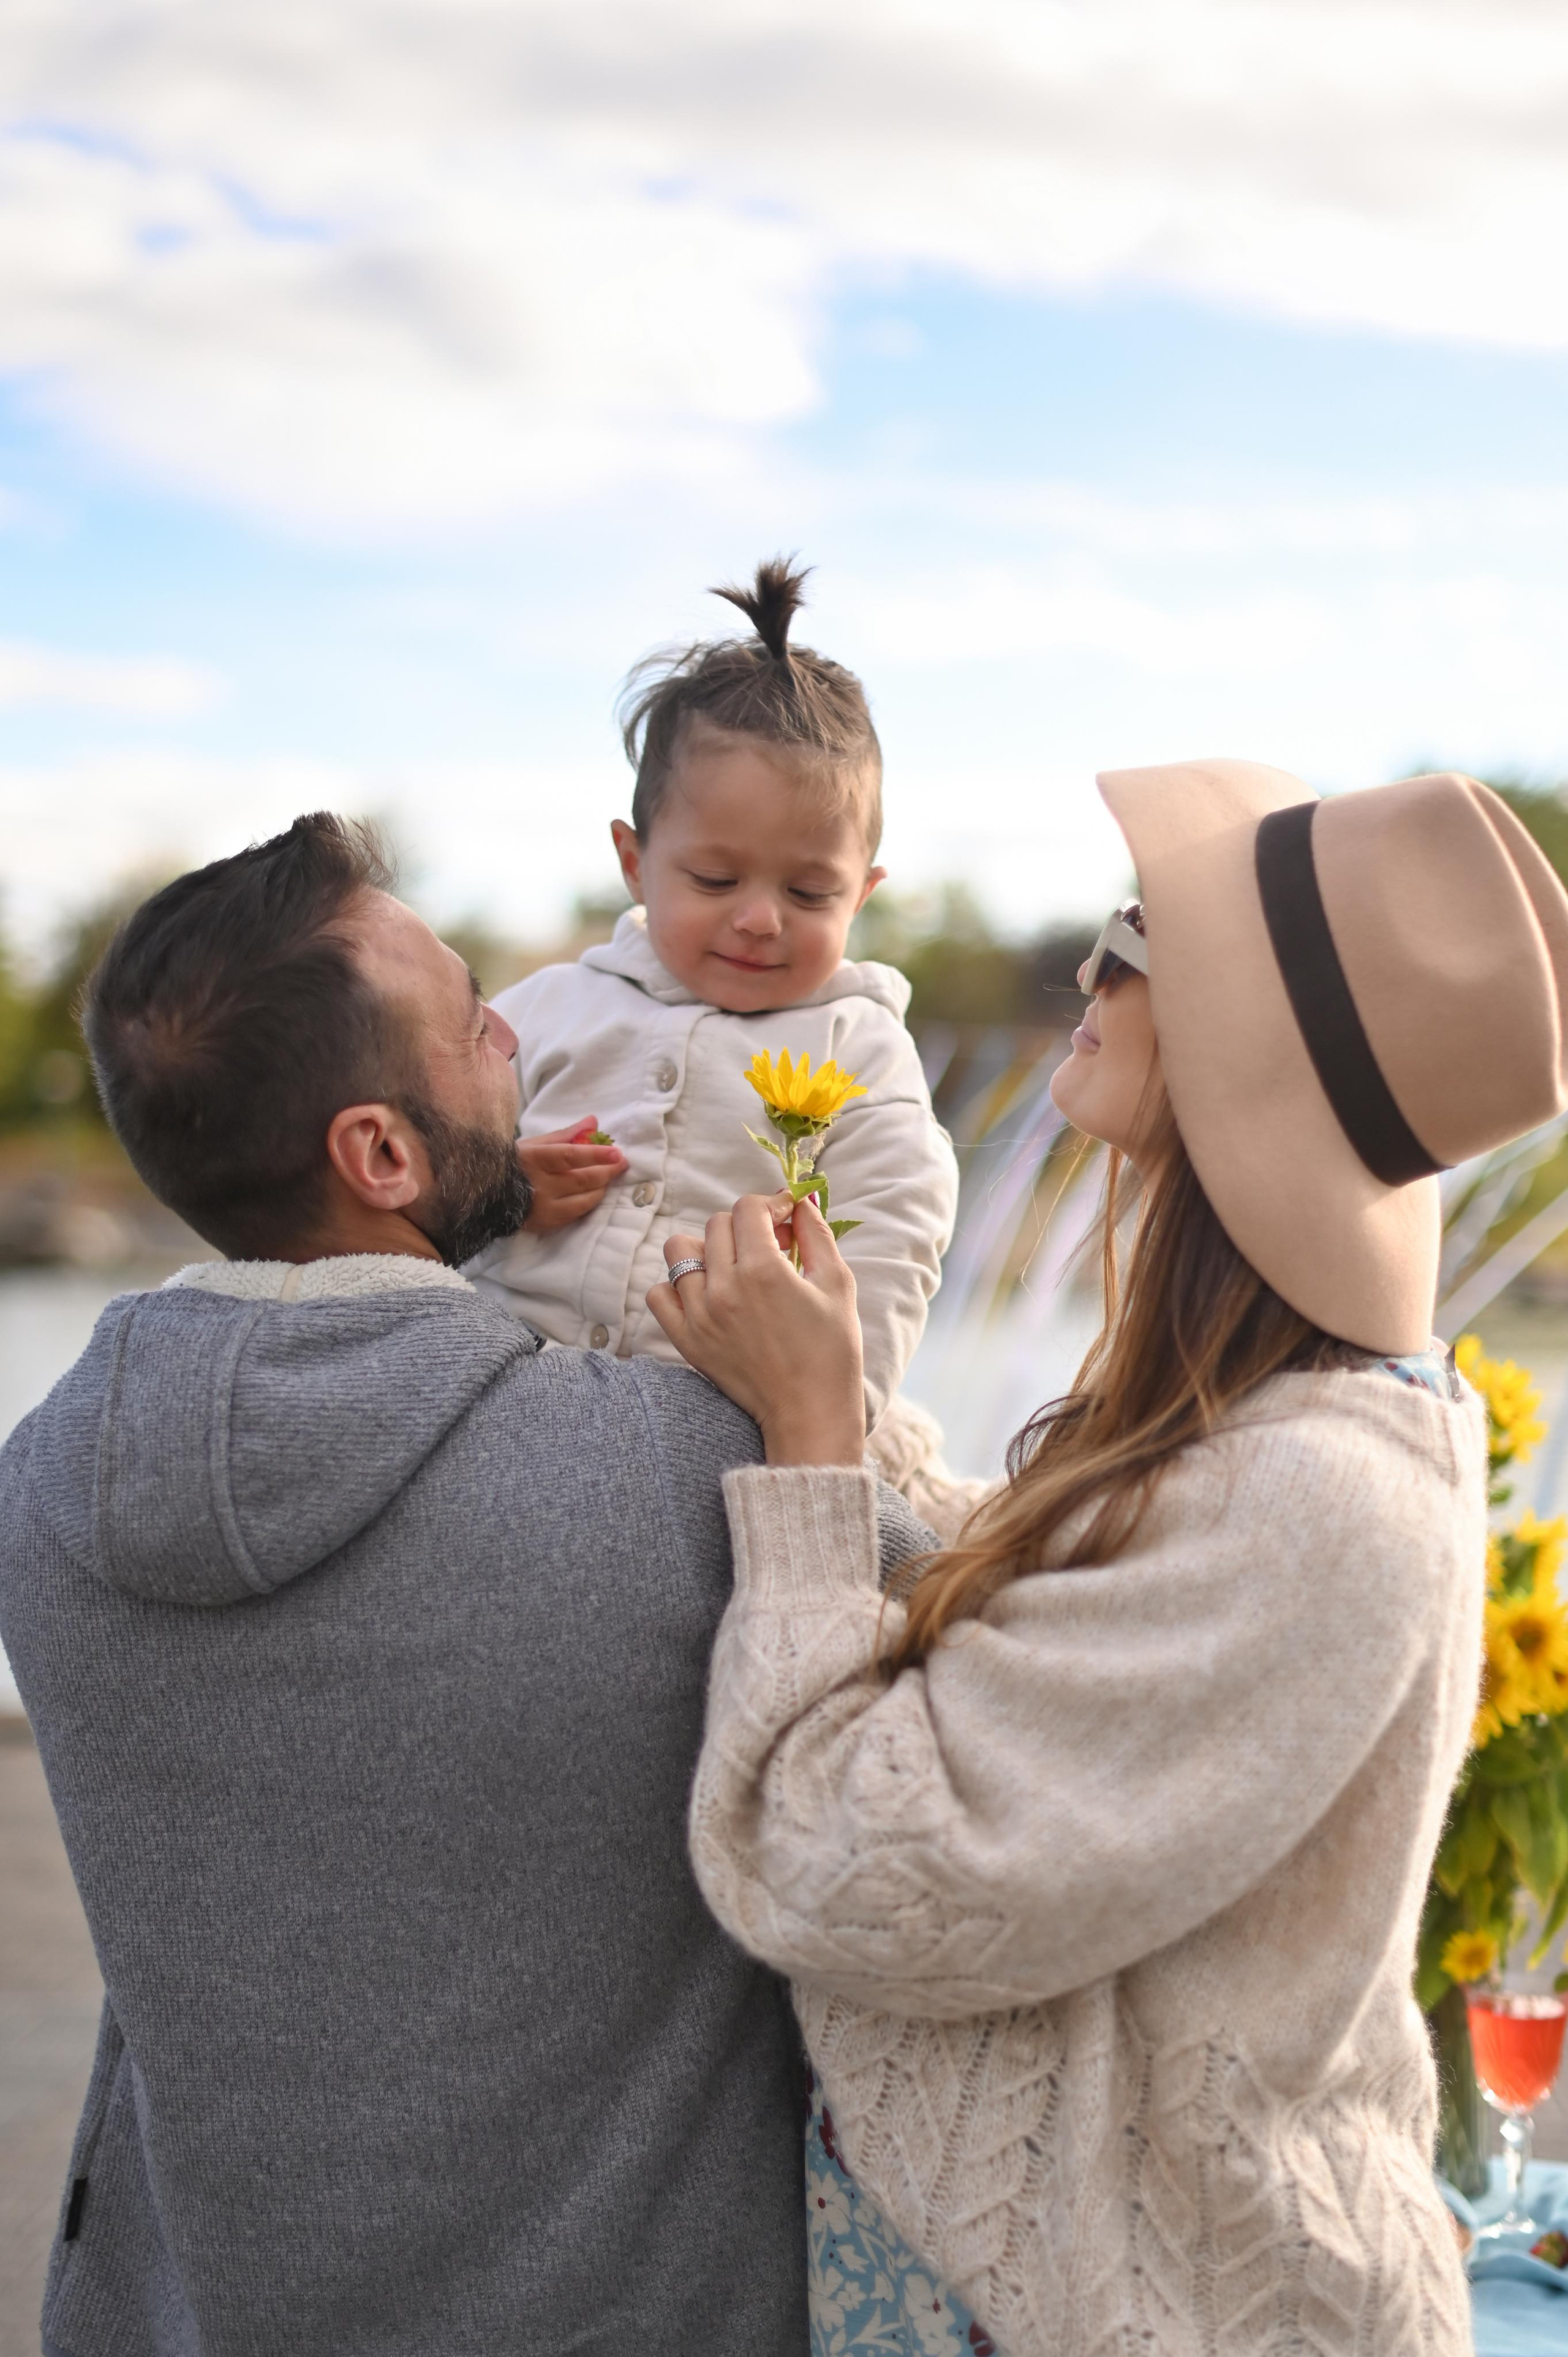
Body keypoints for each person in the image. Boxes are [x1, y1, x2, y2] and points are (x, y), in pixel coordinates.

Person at [645, 761, 1568, 2357]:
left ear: (1242, 1043)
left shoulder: (1315, 1505)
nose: (1092, 970)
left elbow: (840, 1867)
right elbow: (1051, 1658)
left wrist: (807, 1442)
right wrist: (844, 1406)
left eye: (1142, 939)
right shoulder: (1267, 1435)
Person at [0, 811, 930, 2357]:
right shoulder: (685, 1475)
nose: (521, 1030)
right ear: (379, 1153)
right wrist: (818, 1424)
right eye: (469, 1023)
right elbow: (968, 1699)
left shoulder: (39, 1493)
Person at [466, 558, 968, 1524]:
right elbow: (421, 1173)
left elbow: (900, 1223)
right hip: (508, 1425)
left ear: (863, 893)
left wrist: (829, 1418)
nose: (760, 921)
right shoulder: (549, 1008)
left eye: (810, 893)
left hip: (724, 1444)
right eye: (714, 880)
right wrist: (495, 1191)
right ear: (634, 862)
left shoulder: (859, 1046)